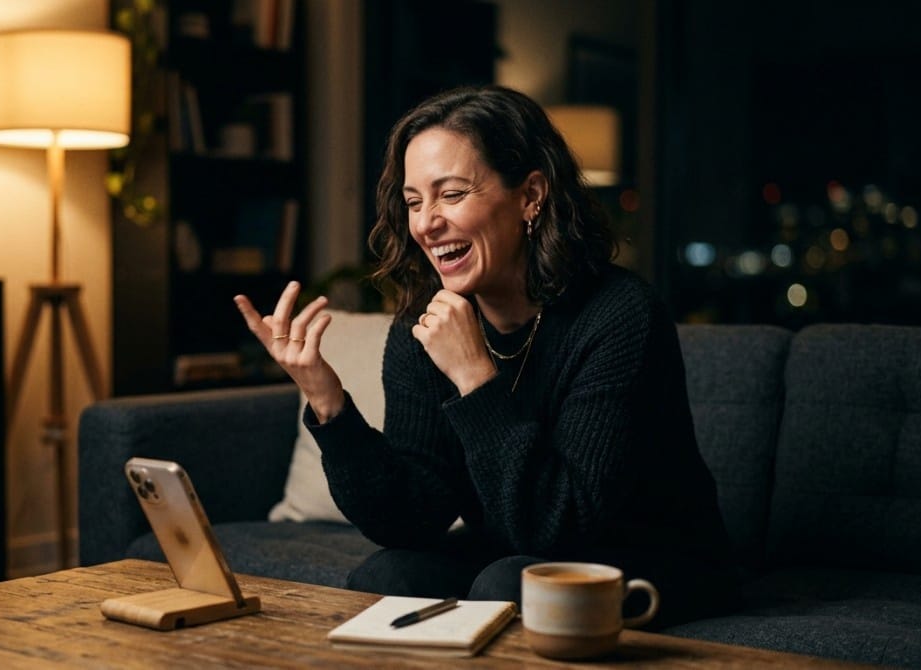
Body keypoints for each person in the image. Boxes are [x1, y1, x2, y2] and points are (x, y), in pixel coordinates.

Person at [234, 85, 734, 628]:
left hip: (650, 556)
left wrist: (474, 375)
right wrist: (328, 404)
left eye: (451, 194)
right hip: (515, 548)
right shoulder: (425, 325)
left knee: (509, 583)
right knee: (392, 575)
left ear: (530, 196)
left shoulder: (620, 314)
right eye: (414, 201)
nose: (425, 223)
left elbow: (562, 525)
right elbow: (411, 521)